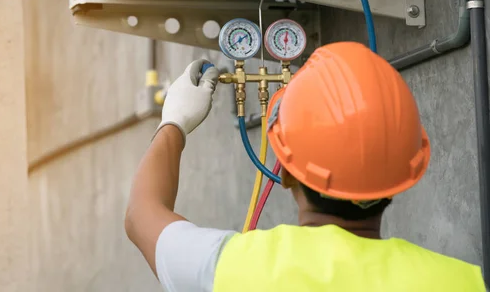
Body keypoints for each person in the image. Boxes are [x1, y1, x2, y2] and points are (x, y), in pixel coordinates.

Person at [124, 42, 486, 291]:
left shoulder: (233, 269)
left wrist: (174, 122)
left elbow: (142, 213)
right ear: (400, 178)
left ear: (283, 172)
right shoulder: (460, 282)